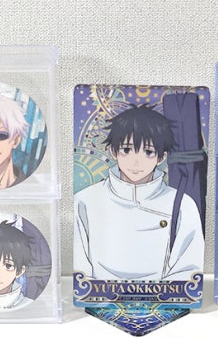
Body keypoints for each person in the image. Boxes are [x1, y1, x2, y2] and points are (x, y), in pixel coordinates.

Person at [74, 104, 204, 281]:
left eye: (148, 152)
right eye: (127, 150)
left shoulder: (182, 204)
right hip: (99, 294)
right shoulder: (85, 200)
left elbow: (188, 267)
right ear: (113, 151)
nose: (136, 162)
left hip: (163, 295)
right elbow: (80, 268)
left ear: (161, 157)